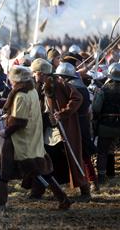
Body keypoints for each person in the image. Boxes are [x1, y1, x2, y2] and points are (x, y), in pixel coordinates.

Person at [0, 65, 71, 211]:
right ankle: (63, 198)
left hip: (19, 140)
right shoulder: (30, 91)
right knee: (42, 170)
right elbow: (11, 104)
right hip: (31, 138)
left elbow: (19, 121)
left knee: (2, 170)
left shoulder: (21, 95)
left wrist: (5, 132)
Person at [31, 58, 91, 201]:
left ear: (41, 73)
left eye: (35, 72)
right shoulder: (38, 86)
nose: (33, 75)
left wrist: (63, 112)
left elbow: (77, 98)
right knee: (45, 158)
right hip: (48, 128)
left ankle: (85, 191)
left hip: (64, 128)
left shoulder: (59, 83)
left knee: (73, 158)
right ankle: (37, 191)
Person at [54, 62, 98, 190]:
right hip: (82, 122)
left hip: (76, 124)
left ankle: (91, 182)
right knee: (83, 154)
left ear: (64, 76)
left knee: (82, 153)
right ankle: (89, 181)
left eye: (61, 76)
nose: (59, 79)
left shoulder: (71, 88)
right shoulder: (82, 86)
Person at [92, 63, 120, 184]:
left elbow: (96, 108)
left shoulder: (103, 89)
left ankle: (102, 178)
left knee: (103, 152)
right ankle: (111, 174)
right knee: (110, 150)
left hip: (106, 125)